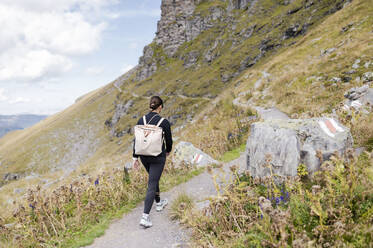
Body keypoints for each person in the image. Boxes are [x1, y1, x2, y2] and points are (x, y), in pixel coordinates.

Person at [133, 96, 173, 228]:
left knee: (153, 179)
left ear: (151, 106)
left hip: (144, 155)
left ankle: (159, 203)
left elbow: (137, 140)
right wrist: (168, 151)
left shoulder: (141, 120)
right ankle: (145, 217)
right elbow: (169, 141)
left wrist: (135, 158)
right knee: (152, 183)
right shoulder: (164, 122)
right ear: (160, 107)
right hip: (157, 156)